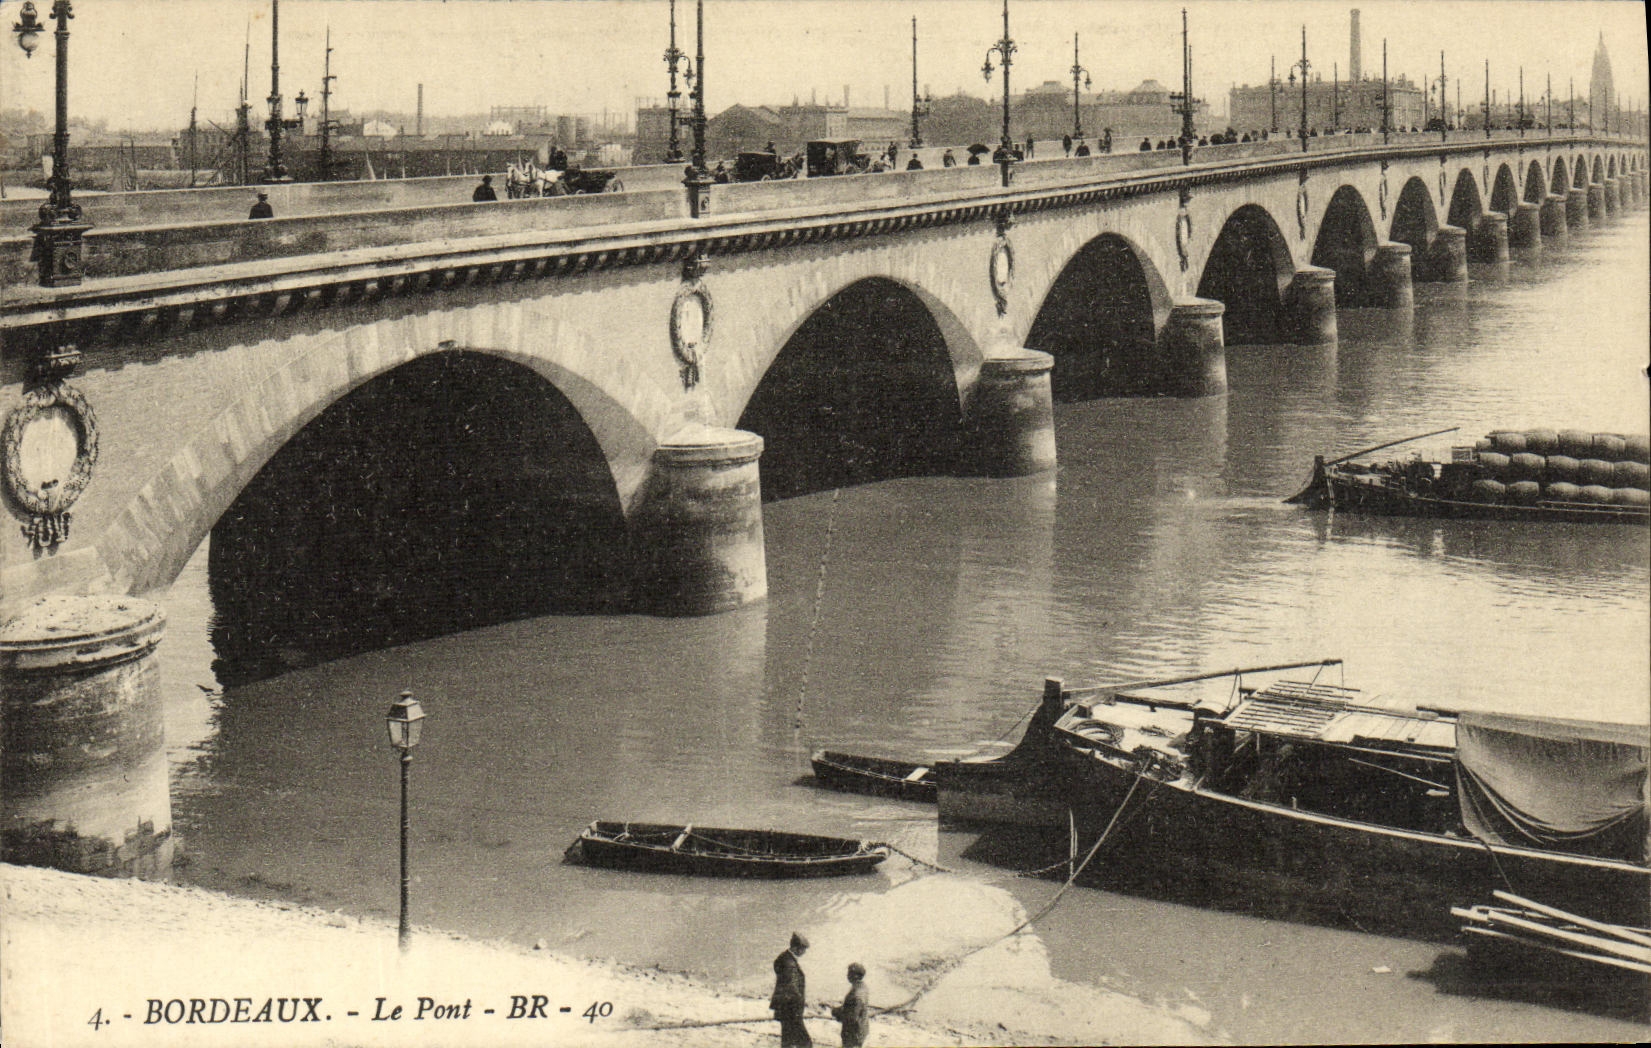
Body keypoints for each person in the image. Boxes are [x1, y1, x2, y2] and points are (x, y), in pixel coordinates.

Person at [771, 933, 811, 1047]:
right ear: (797, 948)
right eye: (803, 949)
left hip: (785, 1008)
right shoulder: (790, 964)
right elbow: (792, 988)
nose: (804, 952)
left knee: (787, 1040)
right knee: (805, 1042)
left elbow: (777, 968)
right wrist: (799, 1002)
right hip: (792, 1009)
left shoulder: (784, 958)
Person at [830, 963, 869, 1048]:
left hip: (854, 1033)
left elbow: (852, 1017)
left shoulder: (857, 993)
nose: (847, 975)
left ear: (855, 975)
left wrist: (837, 1013)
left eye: (849, 973)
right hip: (859, 1030)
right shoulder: (861, 987)